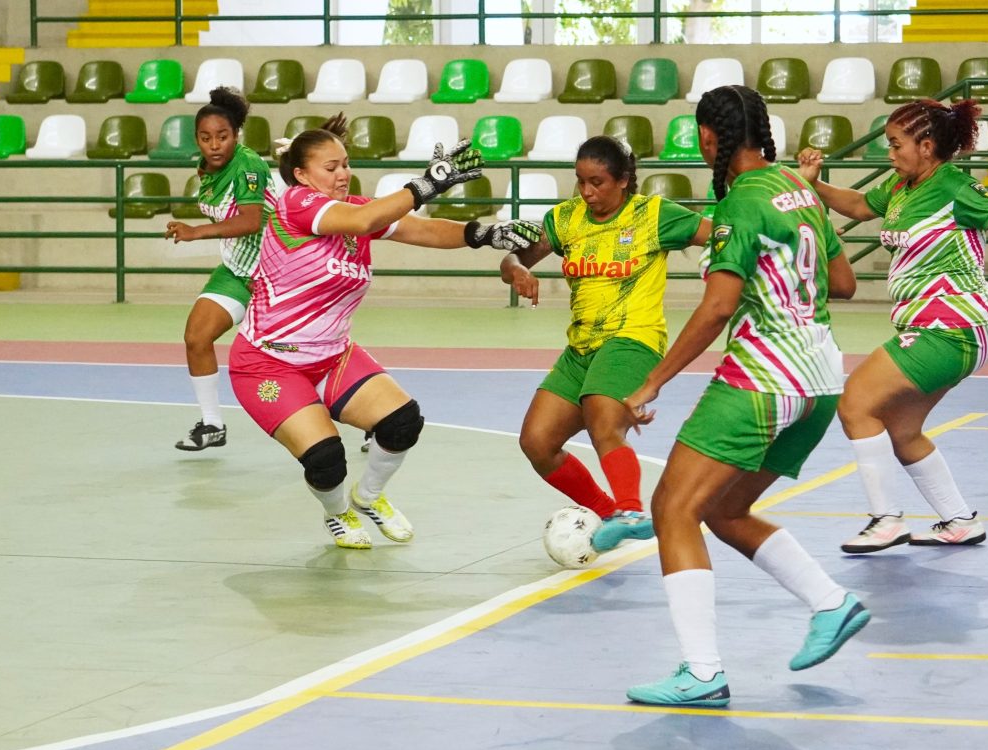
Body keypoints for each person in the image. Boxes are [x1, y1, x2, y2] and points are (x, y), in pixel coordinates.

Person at [620, 85, 865, 707]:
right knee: (724, 509)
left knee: (672, 507)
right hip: (821, 381)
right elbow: (844, 283)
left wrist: (652, 380)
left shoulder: (740, 203)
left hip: (763, 377)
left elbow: (718, 307)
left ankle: (702, 672)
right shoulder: (799, 190)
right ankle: (830, 603)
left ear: (709, 137)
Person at [230, 115, 540, 549]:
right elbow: (366, 220)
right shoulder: (296, 204)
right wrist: (428, 184)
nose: (342, 174)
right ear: (301, 174)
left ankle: (369, 496)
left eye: (345, 164)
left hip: (332, 356)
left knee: (402, 422)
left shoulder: (355, 210)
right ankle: (337, 512)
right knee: (326, 458)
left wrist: (486, 233)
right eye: (330, 167)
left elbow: (421, 228)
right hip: (269, 363)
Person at [796, 98, 988, 554]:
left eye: (896, 144)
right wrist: (814, 183)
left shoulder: (954, 188)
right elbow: (860, 206)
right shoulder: (901, 186)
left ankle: (886, 520)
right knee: (902, 430)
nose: (889, 152)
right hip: (937, 328)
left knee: (855, 403)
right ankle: (960, 521)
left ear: (926, 146)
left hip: (952, 327)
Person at [500, 136, 711, 554]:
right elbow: (512, 259)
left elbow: (719, 235)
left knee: (602, 416)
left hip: (633, 338)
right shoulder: (566, 218)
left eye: (596, 182)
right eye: (580, 181)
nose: (587, 192)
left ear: (624, 180)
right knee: (537, 442)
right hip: (581, 347)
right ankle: (607, 511)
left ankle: (631, 512)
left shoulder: (653, 215)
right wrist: (518, 269)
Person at [165, 87, 277, 452]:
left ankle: (369, 416)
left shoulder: (248, 166)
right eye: (205, 137)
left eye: (222, 136)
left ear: (236, 134)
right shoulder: (207, 167)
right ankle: (212, 424)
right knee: (196, 337)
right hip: (236, 270)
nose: (214, 145)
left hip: (274, 273)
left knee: (298, 355)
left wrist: (196, 232)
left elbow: (250, 221)